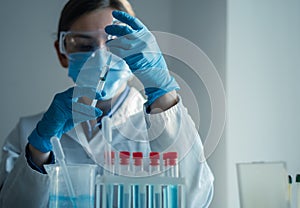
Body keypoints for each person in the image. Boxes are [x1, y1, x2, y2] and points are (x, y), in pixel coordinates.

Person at [0, 0, 214, 207]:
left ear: (135, 52)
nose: (100, 57)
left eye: (115, 45)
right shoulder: (29, 132)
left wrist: (163, 94)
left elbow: (195, 199)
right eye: (84, 45)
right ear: (62, 52)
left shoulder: (163, 127)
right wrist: (38, 150)